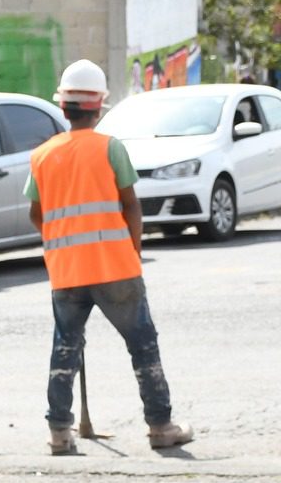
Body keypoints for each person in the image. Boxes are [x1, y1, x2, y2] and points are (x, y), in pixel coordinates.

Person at [25, 58, 192, 455]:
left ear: (64, 107)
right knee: (143, 346)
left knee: (65, 348)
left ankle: (59, 434)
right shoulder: (109, 148)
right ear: (99, 106)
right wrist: (132, 251)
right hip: (114, 266)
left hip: (66, 272)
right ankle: (160, 426)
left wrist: (62, 241)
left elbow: (37, 213)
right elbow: (131, 205)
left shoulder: (43, 155)